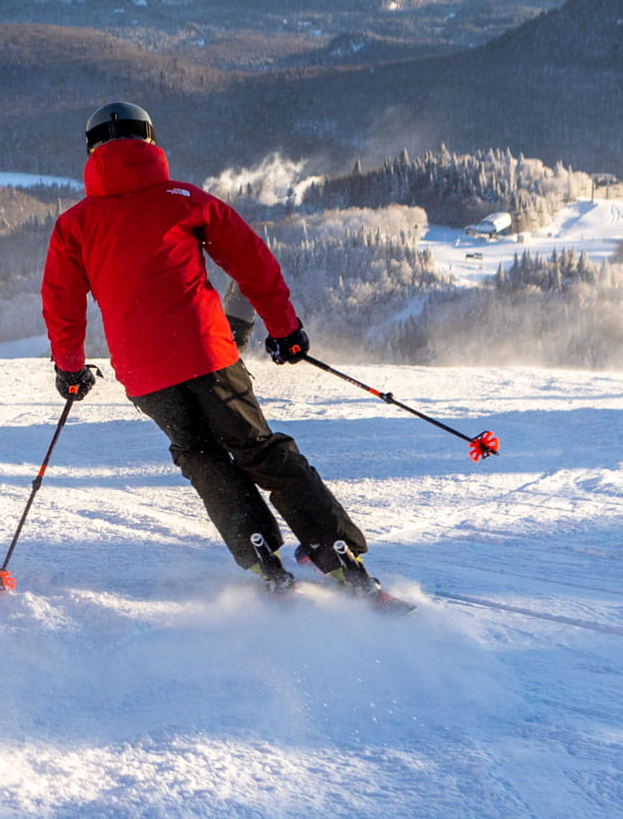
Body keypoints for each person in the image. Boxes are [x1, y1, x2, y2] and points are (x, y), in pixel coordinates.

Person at [41, 101, 386, 601]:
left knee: (199, 455)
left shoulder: (75, 224)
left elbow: (61, 304)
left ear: (91, 149)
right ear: (151, 142)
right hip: (208, 356)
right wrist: (285, 329)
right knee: (258, 449)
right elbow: (253, 263)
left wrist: (70, 369)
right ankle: (333, 551)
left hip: (145, 375)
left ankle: (259, 554)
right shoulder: (186, 200)